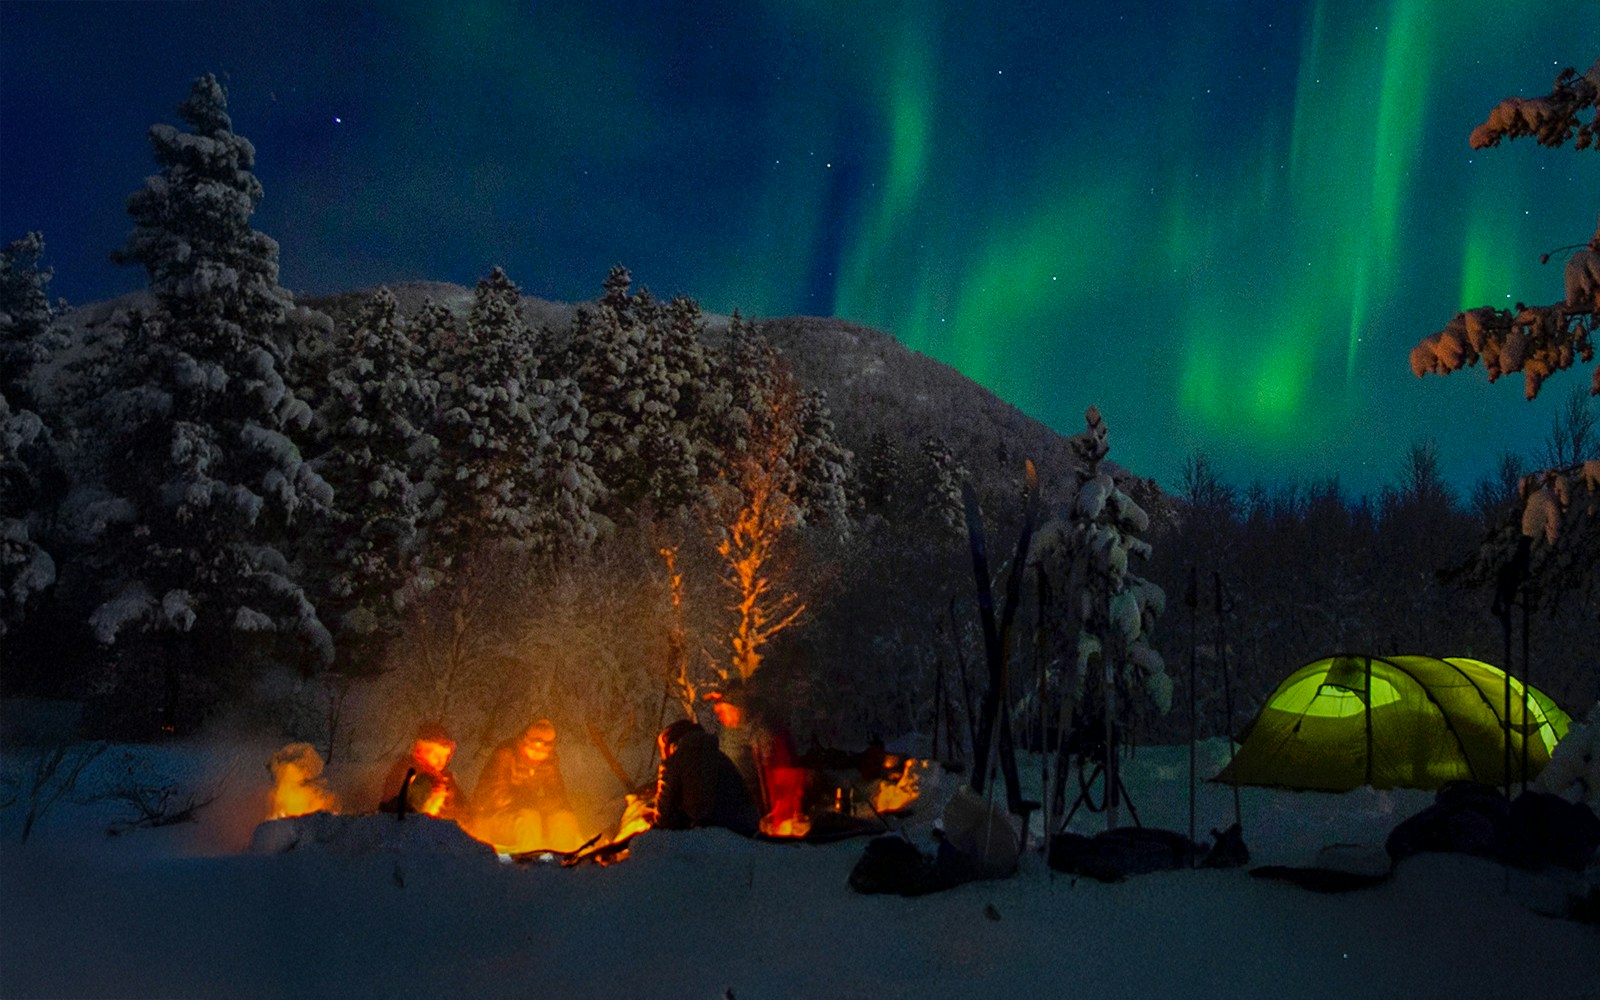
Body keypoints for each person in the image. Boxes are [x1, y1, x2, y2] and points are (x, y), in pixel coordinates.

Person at [704, 681, 807, 834]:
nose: (719, 717)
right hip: (740, 811)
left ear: (736, 708)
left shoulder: (764, 730)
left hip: (764, 816)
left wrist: (778, 818)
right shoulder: (730, 733)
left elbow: (783, 776)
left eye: (722, 711)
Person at [471, 718, 581, 852]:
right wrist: (532, 804)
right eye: (533, 748)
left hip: (527, 812)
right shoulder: (506, 754)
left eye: (542, 752)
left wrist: (549, 808)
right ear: (525, 742)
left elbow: (558, 797)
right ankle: (528, 868)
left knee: (564, 820)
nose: (537, 754)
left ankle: (562, 865)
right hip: (492, 818)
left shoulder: (549, 762)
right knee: (529, 819)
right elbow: (494, 796)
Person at [653, 719, 759, 837]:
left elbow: (664, 815)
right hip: (745, 831)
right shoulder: (720, 758)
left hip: (710, 837)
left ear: (671, 744)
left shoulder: (677, 759)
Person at [378, 722, 468, 822]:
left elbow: (462, 809)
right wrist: (432, 797)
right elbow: (395, 805)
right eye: (436, 756)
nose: (441, 761)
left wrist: (449, 798)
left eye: (445, 756)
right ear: (420, 751)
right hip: (413, 829)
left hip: (440, 830)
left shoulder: (446, 778)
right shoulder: (407, 772)